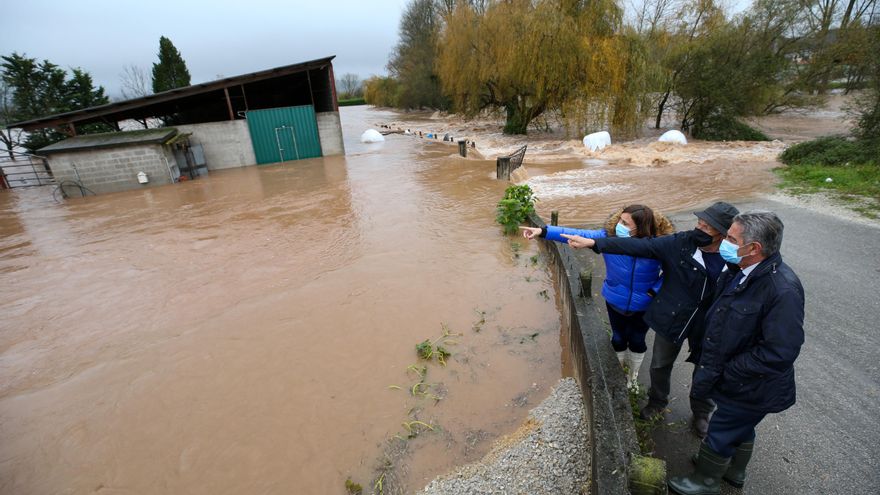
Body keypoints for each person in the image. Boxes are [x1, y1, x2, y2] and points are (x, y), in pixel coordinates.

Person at [559, 201, 739, 438]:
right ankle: (657, 403)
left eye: (706, 227)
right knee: (660, 364)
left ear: (724, 233)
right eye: (699, 222)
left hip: (709, 324)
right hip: (672, 316)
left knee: (705, 369)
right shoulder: (681, 243)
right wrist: (594, 243)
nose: (699, 229)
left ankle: (702, 413)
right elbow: (639, 247)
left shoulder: (735, 259)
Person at [667, 210, 804, 494]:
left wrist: (731, 371)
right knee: (741, 426)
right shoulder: (742, 271)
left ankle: (705, 480)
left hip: (750, 384)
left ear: (754, 248)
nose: (724, 242)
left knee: (723, 429)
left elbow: (780, 352)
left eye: (731, 238)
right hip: (743, 380)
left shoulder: (781, 289)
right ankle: (734, 471)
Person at [521, 205, 675, 387]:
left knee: (637, 340)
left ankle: (632, 377)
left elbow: (673, 273)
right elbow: (577, 233)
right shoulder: (609, 238)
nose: (619, 225)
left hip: (645, 304)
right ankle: (618, 371)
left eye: (625, 223)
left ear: (640, 227)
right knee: (618, 338)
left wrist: (653, 291)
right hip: (614, 298)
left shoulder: (659, 246)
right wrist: (542, 231)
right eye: (620, 220)